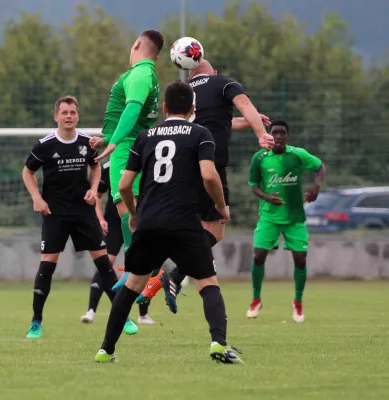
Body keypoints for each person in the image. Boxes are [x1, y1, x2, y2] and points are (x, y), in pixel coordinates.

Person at [94, 81, 243, 364]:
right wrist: (222, 207)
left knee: (132, 286)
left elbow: (125, 184)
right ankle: (218, 343)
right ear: (193, 109)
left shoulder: (145, 136)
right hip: (184, 223)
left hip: (149, 222)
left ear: (164, 108)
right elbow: (210, 177)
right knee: (207, 282)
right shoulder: (201, 133)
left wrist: (135, 214)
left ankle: (106, 350)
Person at [144, 60, 275, 311]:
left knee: (194, 229)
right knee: (215, 231)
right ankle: (174, 275)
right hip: (209, 166)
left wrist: (249, 122)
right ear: (213, 72)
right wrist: (261, 133)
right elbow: (244, 104)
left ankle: (169, 276)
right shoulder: (223, 82)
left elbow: (221, 124)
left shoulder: (186, 91)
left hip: (181, 167)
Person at [22, 96, 138, 339]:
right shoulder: (45, 144)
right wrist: (37, 198)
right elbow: (27, 172)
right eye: (64, 112)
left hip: (83, 212)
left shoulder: (87, 142)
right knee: (47, 266)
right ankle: (36, 321)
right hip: (55, 213)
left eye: (72, 112)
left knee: (104, 265)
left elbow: (95, 166)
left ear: (77, 115)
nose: (68, 116)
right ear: (56, 116)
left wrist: (94, 190)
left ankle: (123, 316)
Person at [89, 30, 165, 292]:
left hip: (127, 146)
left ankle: (139, 269)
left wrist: (114, 142)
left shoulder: (141, 74)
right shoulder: (145, 74)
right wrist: (108, 136)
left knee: (124, 204)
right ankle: (145, 266)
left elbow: (133, 109)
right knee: (134, 208)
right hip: (129, 142)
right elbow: (128, 112)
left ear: (136, 44)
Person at [246, 120, 325, 323]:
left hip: (294, 217)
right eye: (275, 133)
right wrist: (266, 196)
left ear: (287, 136)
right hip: (269, 216)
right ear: (270, 136)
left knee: (300, 258)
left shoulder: (297, 154)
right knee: (258, 255)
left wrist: (316, 186)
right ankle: (256, 300)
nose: (279, 136)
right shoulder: (260, 157)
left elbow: (319, 166)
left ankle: (297, 303)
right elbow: (254, 186)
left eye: (282, 133)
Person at [80, 161, 155, 325]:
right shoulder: (108, 167)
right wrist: (100, 219)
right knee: (107, 263)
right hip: (114, 224)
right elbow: (97, 196)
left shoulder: (145, 163)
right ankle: (91, 310)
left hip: (138, 222)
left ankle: (143, 314)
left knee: (146, 262)